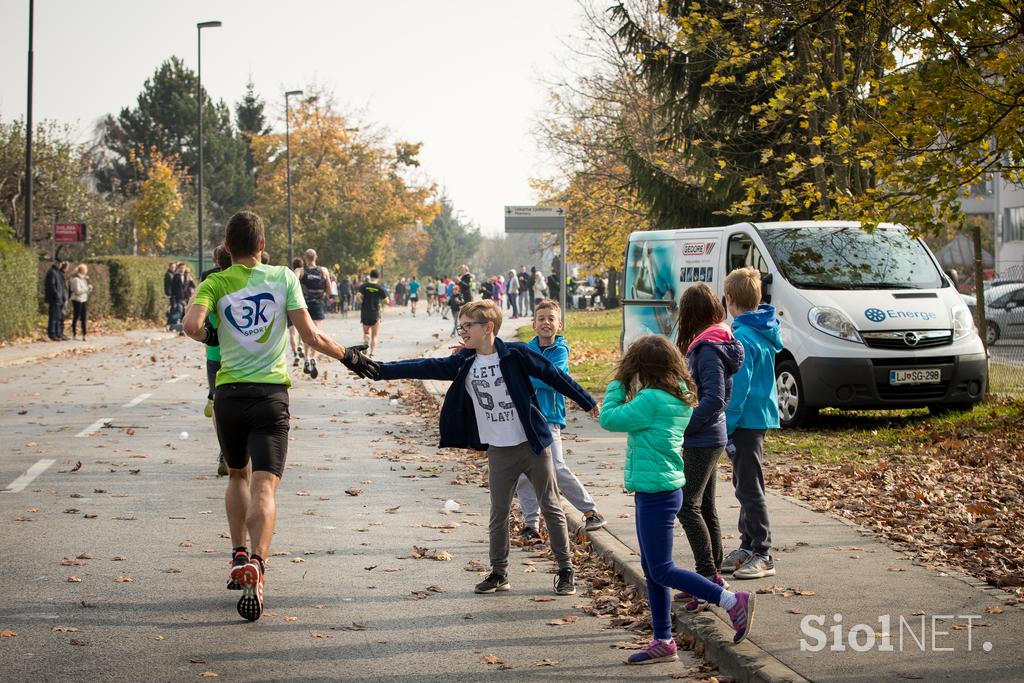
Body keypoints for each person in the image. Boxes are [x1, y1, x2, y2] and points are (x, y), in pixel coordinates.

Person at [182, 210, 368, 622]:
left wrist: (211, 332)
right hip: (270, 395)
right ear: (262, 245)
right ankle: (259, 567)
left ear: (228, 249)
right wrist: (349, 357)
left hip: (228, 393)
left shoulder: (214, 281)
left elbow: (191, 325)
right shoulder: (284, 277)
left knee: (236, 474)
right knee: (265, 484)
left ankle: (237, 555)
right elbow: (311, 337)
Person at [351, 299, 599, 596]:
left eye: (468, 325)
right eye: (461, 325)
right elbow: (422, 366)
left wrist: (589, 402)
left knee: (551, 506)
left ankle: (565, 569)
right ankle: (499, 572)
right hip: (499, 449)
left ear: (488, 327)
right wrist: (377, 370)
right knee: (498, 512)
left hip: (533, 444)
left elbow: (555, 376)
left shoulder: (518, 354)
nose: (462, 330)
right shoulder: (464, 361)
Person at [599, 335, 754, 663]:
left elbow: (609, 418)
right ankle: (663, 640)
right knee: (652, 569)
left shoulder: (653, 399)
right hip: (657, 489)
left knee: (662, 569)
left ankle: (730, 601)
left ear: (643, 368)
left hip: (656, 493)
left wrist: (619, 381)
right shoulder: (678, 394)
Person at [672, 282, 743, 612]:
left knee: (687, 506)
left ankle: (705, 579)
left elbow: (714, 397)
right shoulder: (714, 341)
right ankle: (713, 577)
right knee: (705, 507)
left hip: (704, 437)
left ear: (690, 315)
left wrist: (687, 426)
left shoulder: (708, 349)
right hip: (709, 435)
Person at [516, 299, 606, 540]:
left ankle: (590, 511)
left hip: (550, 419)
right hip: (526, 418)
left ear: (560, 324)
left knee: (555, 466)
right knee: (525, 474)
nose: (546, 323)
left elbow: (552, 378)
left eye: (551, 319)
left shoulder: (560, 351)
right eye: (541, 318)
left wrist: (525, 377)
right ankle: (531, 525)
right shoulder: (526, 350)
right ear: (534, 324)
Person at [722, 267, 782, 579]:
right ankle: (748, 543)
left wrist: (726, 424)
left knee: (749, 485)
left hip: (746, 421)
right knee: (743, 482)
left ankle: (762, 550)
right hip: (757, 418)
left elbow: (739, 388)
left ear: (729, 299)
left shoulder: (742, 337)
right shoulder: (761, 330)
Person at [201, 245, 233, 477]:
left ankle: (225, 449)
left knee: (219, 403)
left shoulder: (209, 282)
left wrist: (208, 335)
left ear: (215, 261)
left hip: (215, 353)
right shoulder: (250, 282)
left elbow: (193, 322)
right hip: (242, 354)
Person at [295, 249, 331, 379]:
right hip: (318, 304)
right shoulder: (323, 271)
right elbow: (329, 289)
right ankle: (314, 358)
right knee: (316, 332)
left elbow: (293, 283)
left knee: (306, 332)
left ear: (305, 258)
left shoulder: (301, 271)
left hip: (305, 304)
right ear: (316, 257)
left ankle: (306, 358)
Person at [358, 269, 391, 357]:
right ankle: (372, 353)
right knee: (374, 336)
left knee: (366, 333)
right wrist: (382, 302)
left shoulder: (364, 286)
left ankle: (365, 341)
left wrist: (361, 302)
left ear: (370, 276)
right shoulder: (379, 288)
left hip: (365, 312)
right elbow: (387, 301)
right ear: (378, 278)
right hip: (375, 313)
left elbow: (358, 297)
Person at [45, 258, 68, 341]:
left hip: (60, 298)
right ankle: (53, 333)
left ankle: (59, 333)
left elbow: (61, 286)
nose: (60, 265)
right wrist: (57, 296)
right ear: (55, 263)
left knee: (59, 317)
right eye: (58, 263)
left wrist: (63, 297)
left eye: (61, 263)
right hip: (55, 299)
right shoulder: (52, 272)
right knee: (54, 317)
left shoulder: (58, 272)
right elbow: (52, 286)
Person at [68, 264, 92, 341]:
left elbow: (85, 291)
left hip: (83, 299)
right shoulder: (76, 280)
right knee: (76, 316)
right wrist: (87, 289)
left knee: (84, 317)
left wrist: (89, 290)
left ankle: (84, 334)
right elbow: (77, 291)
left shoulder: (84, 279)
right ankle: (74, 333)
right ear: (82, 271)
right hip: (77, 300)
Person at [288, 257, 304, 367]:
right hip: (302, 304)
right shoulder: (305, 274)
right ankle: (300, 345)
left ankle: (295, 355)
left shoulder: (290, 275)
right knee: (302, 330)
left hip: (290, 305)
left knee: (292, 332)